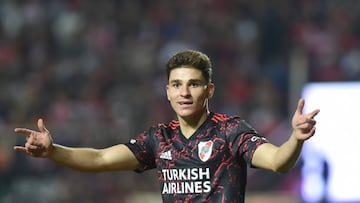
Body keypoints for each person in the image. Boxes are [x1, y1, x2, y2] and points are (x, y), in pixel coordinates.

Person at [13, 50, 320, 203]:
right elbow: (99, 159)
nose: (185, 93)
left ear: (209, 90)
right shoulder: (158, 139)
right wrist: (53, 151)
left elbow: (279, 162)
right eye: (177, 85)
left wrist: (296, 138)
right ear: (168, 91)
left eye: (194, 84)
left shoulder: (231, 131)